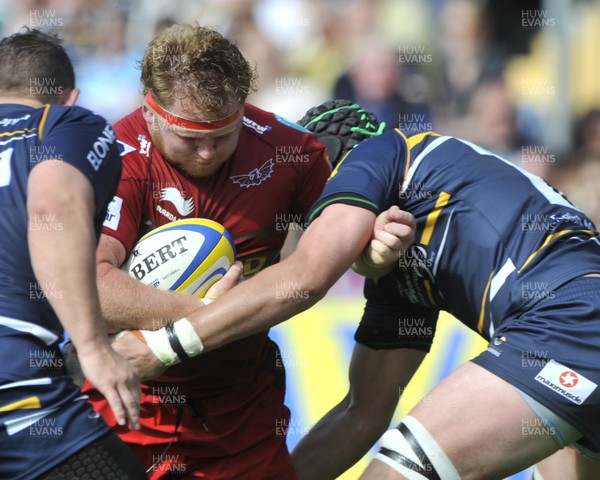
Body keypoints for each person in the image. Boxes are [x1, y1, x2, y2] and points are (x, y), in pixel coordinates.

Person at [114, 99, 600, 480]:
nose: (312, 215)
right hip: (573, 333)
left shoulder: (383, 150)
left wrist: (164, 345)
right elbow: (361, 413)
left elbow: (309, 274)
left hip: (568, 328)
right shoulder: (406, 263)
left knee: (399, 469)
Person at [78, 25, 395, 480]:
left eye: (223, 135)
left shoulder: (291, 152)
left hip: (242, 419)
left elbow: (343, 248)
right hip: (123, 413)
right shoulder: (115, 158)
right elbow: (87, 288)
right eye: (189, 138)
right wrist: (213, 315)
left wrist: (376, 250)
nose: (207, 153)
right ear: (150, 108)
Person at [0, 28, 144, 479]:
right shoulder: (65, 125)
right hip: (19, 392)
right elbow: (53, 205)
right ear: (70, 96)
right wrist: (94, 347)